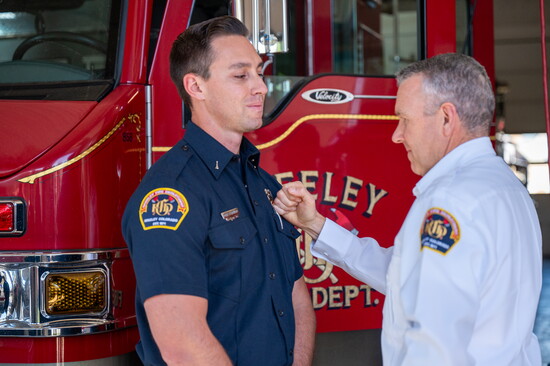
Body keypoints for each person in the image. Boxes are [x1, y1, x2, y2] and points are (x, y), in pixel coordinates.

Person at [273, 53, 542, 365]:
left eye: (405, 119)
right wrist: (318, 225)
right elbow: (406, 278)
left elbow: (433, 338)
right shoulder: (507, 188)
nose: (396, 135)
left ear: (446, 118)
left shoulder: (450, 200)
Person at [122, 16, 315, 366]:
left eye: (259, 72)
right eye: (241, 76)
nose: (261, 87)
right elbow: (182, 344)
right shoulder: (170, 197)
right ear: (196, 87)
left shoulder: (263, 185)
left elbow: (295, 296)